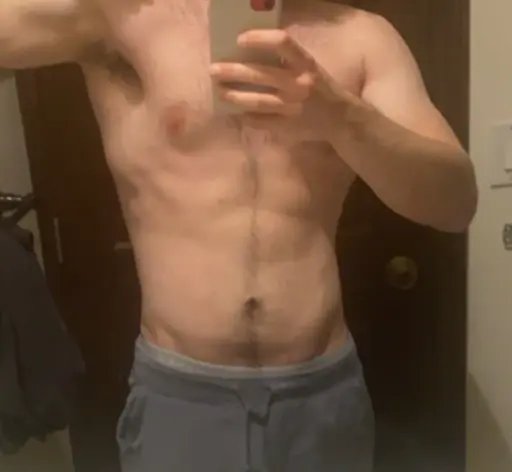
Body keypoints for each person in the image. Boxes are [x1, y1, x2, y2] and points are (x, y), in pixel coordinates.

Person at [0, 1, 478, 471]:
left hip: (321, 396)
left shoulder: (364, 39)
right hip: (181, 397)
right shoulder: (119, 17)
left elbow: (455, 203)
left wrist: (340, 117)